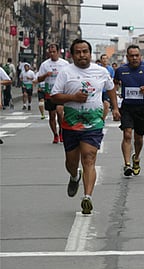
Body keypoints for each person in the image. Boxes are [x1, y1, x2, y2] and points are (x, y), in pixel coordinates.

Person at [50, 39, 115, 214]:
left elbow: (111, 88)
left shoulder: (101, 72)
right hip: (71, 124)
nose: (82, 55)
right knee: (71, 162)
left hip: (93, 123)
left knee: (89, 157)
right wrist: (73, 98)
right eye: (78, 52)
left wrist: (115, 108)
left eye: (85, 51)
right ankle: (74, 176)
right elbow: (54, 96)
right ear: (72, 54)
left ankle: (88, 197)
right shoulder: (65, 72)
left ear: (90, 53)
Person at [112, 44, 144, 177]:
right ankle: (127, 164)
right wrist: (115, 107)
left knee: (138, 138)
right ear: (127, 57)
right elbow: (114, 86)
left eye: (136, 55)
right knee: (127, 134)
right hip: (127, 107)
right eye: (131, 56)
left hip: (142, 106)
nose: (134, 58)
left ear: (140, 56)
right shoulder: (121, 70)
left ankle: (136, 158)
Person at [37, 43, 70, 143]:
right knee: (52, 116)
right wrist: (46, 75)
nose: (52, 54)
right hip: (49, 93)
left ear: (58, 52)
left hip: (61, 92)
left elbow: (70, 77)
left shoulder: (65, 64)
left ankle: (61, 132)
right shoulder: (45, 65)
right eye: (50, 52)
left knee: (60, 112)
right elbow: (38, 78)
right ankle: (55, 134)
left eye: (54, 52)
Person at [99, 54, 115, 120]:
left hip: (106, 90)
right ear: (101, 60)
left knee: (106, 104)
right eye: (103, 58)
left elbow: (112, 80)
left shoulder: (110, 69)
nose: (105, 60)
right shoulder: (98, 68)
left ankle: (103, 119)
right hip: (99, 90)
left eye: (106, 58)